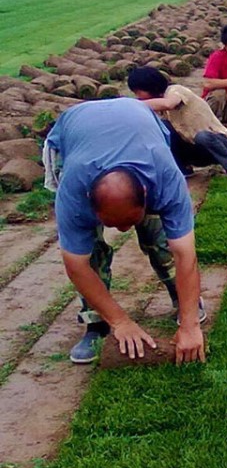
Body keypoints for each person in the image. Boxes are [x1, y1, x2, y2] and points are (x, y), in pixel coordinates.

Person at [44, 98, 207, 365]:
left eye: (130, 220)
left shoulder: (165, 177)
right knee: (90, 251)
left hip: (141, 126)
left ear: (146, 193)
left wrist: (190, 326)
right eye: (113, 223)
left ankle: (184, 301)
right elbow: (75, 265)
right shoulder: (74, 192)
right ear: (88, 199)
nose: (122, 230)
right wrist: (122, 321)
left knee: (160, 237)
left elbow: (185, 253)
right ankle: (97, 324)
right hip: (75, 132)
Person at [127, 67, 227, 178]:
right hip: (196, 151)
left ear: (149, 87)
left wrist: (132, 104)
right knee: (163, 128)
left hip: (220, 143)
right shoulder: (159, 105)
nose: (137, 96)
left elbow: (170, 103)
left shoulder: (175, 90)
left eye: (138, 92)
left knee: (202, 136)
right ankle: (183, 168)